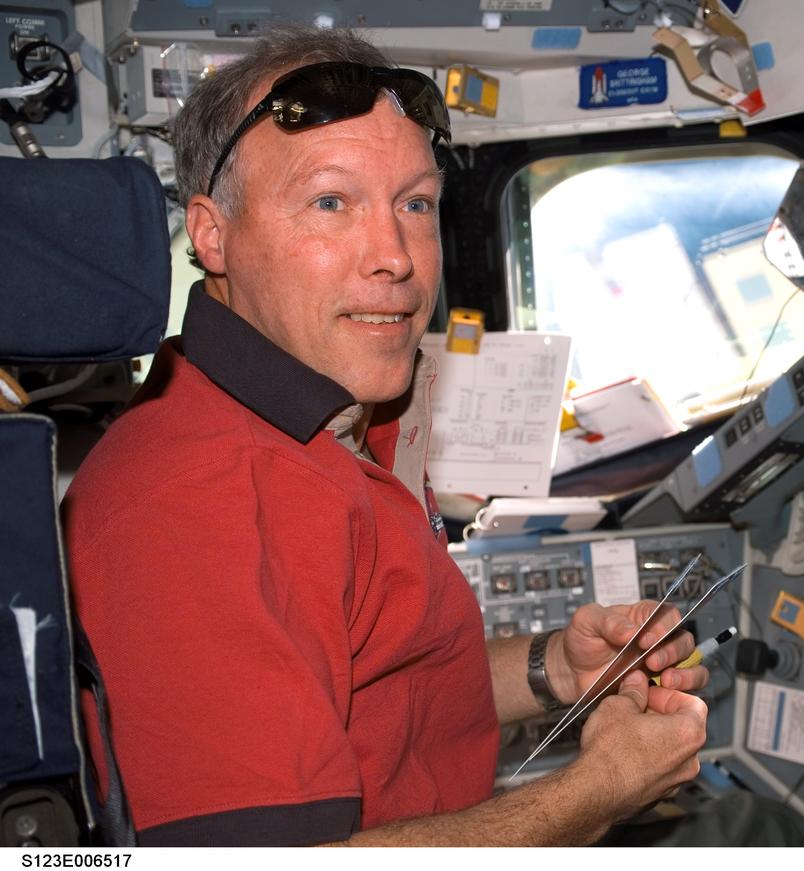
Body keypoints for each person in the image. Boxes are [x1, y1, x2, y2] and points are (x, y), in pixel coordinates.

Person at [62, 24, 709, 847]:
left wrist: (554, 667)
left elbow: (375, 682)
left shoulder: (328, 418)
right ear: (212, 234)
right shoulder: (195, 506)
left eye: (415, 204)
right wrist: (600, 791)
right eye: (331, 202)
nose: (395, 257)